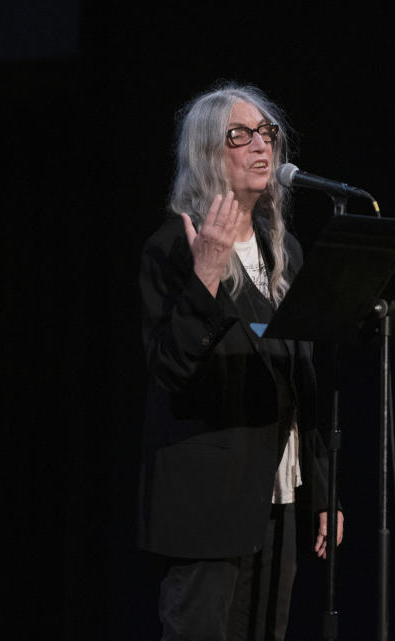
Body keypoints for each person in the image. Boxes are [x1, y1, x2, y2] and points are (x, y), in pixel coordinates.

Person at [137, 82, 344, 641]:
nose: (261, 146)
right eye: (241, 135)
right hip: (207, 505)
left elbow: (300, 383)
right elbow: (168, 371)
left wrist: (322, 492)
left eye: (267, 133)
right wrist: (206, 275)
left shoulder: (285, 251)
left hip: (277, 499)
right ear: (209, 153)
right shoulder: (175, 246)